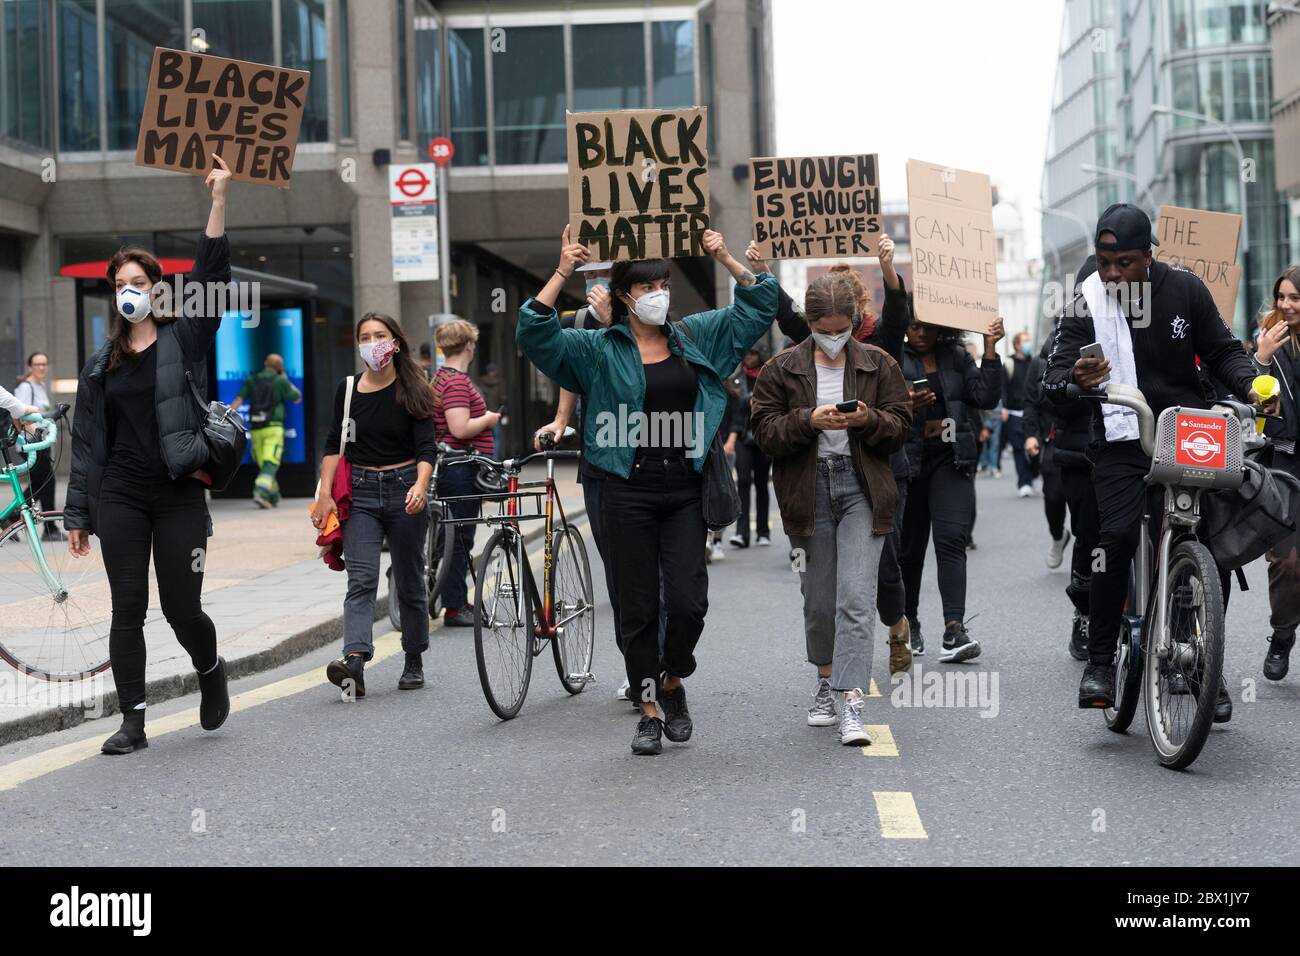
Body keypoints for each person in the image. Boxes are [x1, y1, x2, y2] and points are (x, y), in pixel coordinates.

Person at [517, 225, 777, 756]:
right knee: (636, 607)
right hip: (623, 491)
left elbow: (760, 303)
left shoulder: (694, 336)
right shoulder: (595, 349)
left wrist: (725, 256)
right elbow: (533, 331)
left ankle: (674, 678)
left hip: (683, 490)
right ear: (624, 297)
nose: (659, 294)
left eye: (664, 284)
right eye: (648, 287)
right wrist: (563, 270)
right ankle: (650, 707)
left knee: (687, 603)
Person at [1044, 203, 1264, 713]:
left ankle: (1204, 663)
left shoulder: (1186, 289)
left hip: (1187, 432)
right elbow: (1051, 380)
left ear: (1149, 256)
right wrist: (1074, 380)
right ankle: (1101, 662)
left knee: (1209, 545)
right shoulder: (1086, 302)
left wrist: (1253, 384)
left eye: (1125, 262)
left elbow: (1223, 351)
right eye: (1104, 262)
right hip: (1123, 439)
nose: (1114, 273)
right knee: (1114, 539)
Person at [64, 153, 233, 755]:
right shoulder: (98, 366)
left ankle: (211, 671)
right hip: (122, 496)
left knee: (181, 607)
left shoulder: (184, 339)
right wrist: (79, 514)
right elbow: (87, 444)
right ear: (111, 294)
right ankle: (132, 721)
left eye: (138, 283)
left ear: (155, 289)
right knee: (127, 606)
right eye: (120, 284)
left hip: (178, 491)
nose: (128, 292)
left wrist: (217, 201)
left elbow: (212, 280)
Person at [751, 271, 912, 744]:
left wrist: (868, 419)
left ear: (857, 320)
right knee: (819, 603)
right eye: (825, 327)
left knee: (856, 600)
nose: (835, 335)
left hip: (863, 488)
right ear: (809, 321)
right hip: (808, 490)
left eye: (844, 326)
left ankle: (852, 703)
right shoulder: (782, 368)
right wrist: (808, 420)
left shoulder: (878, 364)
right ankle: (825, 681)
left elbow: (901, 424)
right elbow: (764, 432)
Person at [313, 312, 438, 695]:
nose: (372, 343)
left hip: (404, 490)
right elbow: (335, 443)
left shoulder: (414, 388)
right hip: (362, 493)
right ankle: (354, 660)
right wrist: (325, 494)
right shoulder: (348, 390)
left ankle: (413, 657)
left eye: (379, 335)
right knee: (361, 579)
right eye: (365, 336)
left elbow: (426, 447)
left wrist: (421, 484)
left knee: (409, 580)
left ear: (395, 342)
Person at [898, 309, 1005, 662]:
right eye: (913, 326)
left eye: (928, 326)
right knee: (910, 551)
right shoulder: (891, 357)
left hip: (951, 458)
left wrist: (990, 350)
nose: (921, 333)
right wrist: (905, 405)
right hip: (909, 462)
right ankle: (909, 621)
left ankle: (953, 629)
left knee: (951, 541)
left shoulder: (957, 356)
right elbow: (879, 408)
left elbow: (986, 398)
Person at [429, 319, 500, 628]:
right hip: (461, 468)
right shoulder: (456, 381)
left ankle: (454, 600)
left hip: (452, 468)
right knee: (460, 537)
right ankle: (456, 606)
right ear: (470, 345)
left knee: (454, 535)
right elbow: (459, 428)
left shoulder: (440, 378)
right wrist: (489, 419)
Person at [1253, 266, 1300, 680]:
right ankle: (1282, 636)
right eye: (1281, 296)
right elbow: (1257, 414)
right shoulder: (1266, 343)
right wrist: (1263, 361)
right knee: (1287, 563)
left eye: (1295, 298)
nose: (1286, 305)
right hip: (1283, 466)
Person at [231, 353, 301, 509]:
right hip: (273, 427)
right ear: (279, 367)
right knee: (271, 462)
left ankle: (273, 495)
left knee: (264, 464)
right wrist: (285, 378)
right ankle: (261, 491)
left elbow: (239, 399)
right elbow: (297, 397)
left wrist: (226, 417)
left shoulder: (252, 380)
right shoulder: (280, 380)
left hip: (256, 429)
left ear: (265, 363)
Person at [726, 347, 772, 549]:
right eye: (746, 355)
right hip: (742, 436)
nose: (749, 358)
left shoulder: (770, 377)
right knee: (743, 481)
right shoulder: (737, 380)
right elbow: (734, 411)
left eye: (753, 354)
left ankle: (763, 532)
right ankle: (741, 533)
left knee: (762, 484)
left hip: (764, 437)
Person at [13, 354, 60, 537]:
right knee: (47, 481)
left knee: (40, 483)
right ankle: (50, 528)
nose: (41, 367)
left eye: (44, 364)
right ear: (29, 366)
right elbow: (20, 414)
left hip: (41, 442)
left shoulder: (40, 386)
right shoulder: (26, 387)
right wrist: (34, 439)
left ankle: (11, 517)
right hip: (31, 443)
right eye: (37, 364)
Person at [1003, 331, 1040, 496]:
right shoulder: (1009, 364)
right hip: (1014, 412)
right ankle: (1023, 482)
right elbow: (1002, 387)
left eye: (1028, 340)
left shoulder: (1035, 362)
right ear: (1017, 344)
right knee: (1018, 449)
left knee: (1035, 449)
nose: (1028, 344)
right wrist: (1004, 407)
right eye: (1025, 341)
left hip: (1032, 413)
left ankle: (1033, 473)